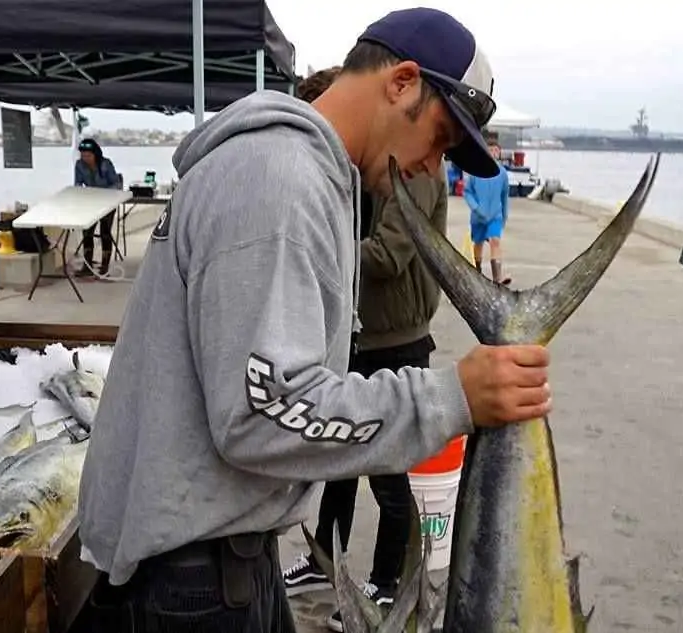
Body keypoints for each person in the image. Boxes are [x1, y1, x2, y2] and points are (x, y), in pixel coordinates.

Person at [75, 8, 552, 633]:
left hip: (224, 549)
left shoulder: (299, 175)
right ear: (402, 81)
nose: (433, 167)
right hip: (192, 584)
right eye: (439, 137)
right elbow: (260, 414)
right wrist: (451, 398)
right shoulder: (278, 180)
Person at [284, 66, 451, 632]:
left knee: (388, 470)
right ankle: (324, 561)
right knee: (340, 460)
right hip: (362, 331)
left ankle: (388, 583)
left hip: (397, 335)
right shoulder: (357, 169)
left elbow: (390, 255)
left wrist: (311, 244)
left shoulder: (418, 168)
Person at [464, 137, 512, 285]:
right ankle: (477, 272)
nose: (493, 153)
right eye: (490, 150)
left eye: (496, 150)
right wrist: (476, 208)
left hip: (495, 216)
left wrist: (504, 216)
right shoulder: (475, 170)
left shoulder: (502, 174)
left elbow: (505, 196)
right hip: (478, 217)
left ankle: (497, 278)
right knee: (478, 244)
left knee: (495, 241)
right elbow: (467, 192)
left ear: (499, 153)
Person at [74, 137, 122, 278]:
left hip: (107, 202)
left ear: (95, 154)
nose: (85, 158)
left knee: (105, 233)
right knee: (87, 233)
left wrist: (104, 193)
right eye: (83, 155)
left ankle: (104, 267)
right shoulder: (79, 165)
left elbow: (116, 184)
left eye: (88, 155)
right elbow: (78, 183)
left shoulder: (106, 164)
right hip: (90, 203)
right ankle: (87, 265)